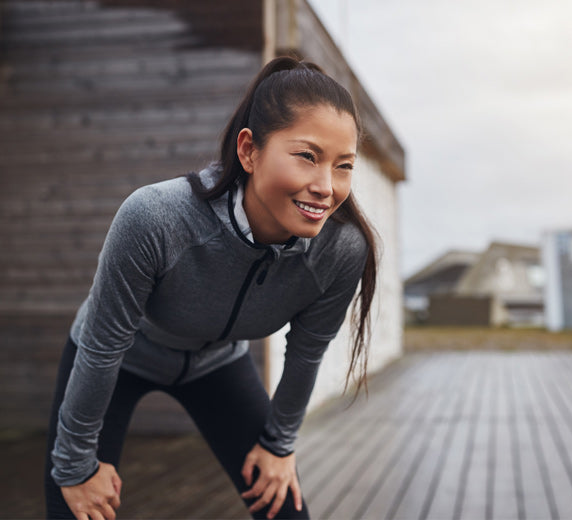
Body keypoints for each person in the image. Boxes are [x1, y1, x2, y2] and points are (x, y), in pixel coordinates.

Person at [44, 56, 377, 520]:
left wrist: (279, 447)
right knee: (72, 507)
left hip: (218, 363)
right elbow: (103, 348)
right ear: (249, 151)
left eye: (343, 166)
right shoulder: (156, 218)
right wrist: (74, 466)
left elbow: (306, 353)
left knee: (284, 508)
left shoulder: (340, 250)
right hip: (118, 359)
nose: (326, 186)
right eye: (307, 156)